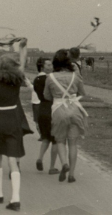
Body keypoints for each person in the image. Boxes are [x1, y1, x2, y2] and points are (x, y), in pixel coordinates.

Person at [0, 38, 28, 212]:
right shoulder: (17, 82)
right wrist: (23, 49)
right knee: (13, 160)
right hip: (13, 120)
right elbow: (22, 66)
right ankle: (15, 198)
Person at [44, 49, 87, 183]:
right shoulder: (75, 76)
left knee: (60, 140)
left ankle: (64, 164)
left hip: (58, 110)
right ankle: (72, 175)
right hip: (74, 109)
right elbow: (82, 92)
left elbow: (46, 96)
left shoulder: (50, 77)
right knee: (73, 143)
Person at [34, 57, 59, 175]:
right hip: (51, 108)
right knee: (55, 140)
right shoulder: (50, 79)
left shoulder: (36, 79)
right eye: (48, 65)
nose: (51, 67)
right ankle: (52, 167)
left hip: (41, 109)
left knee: (45, 138)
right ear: (42, 66)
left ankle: (39, 158)